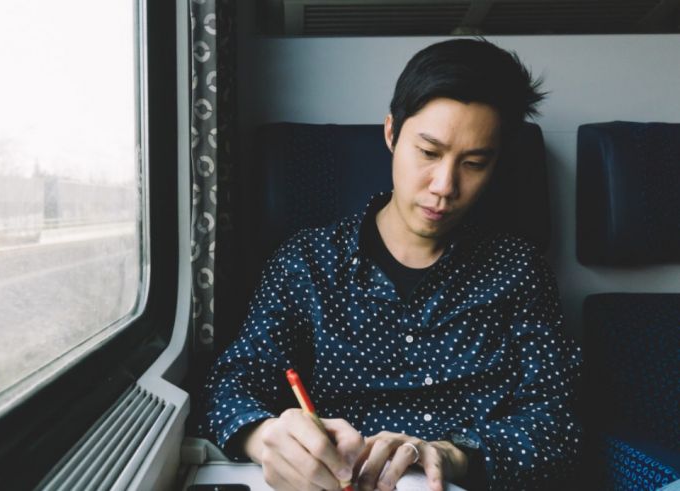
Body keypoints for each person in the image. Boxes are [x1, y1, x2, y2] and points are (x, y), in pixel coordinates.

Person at [200, 38, 582, 491]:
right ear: (391, 134)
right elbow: (230, 385)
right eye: (428, 152)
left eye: (474, 163)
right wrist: (265, 438)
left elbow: (559, 427)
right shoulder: (306, 263)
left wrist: (453, 454)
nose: (444, 186)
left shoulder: (519, 271)